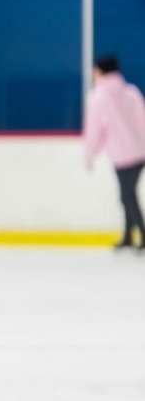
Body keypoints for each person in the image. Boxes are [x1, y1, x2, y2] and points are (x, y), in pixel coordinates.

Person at [83, 54, 145, 252]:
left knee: (128, 195)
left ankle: (141, 233)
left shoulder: (98, 97)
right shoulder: (131, 92)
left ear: (100, 71)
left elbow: (95, 130)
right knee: (126, 194)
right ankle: (128, 234)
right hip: (140, 151)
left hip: (122, 154)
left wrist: (89, 154)